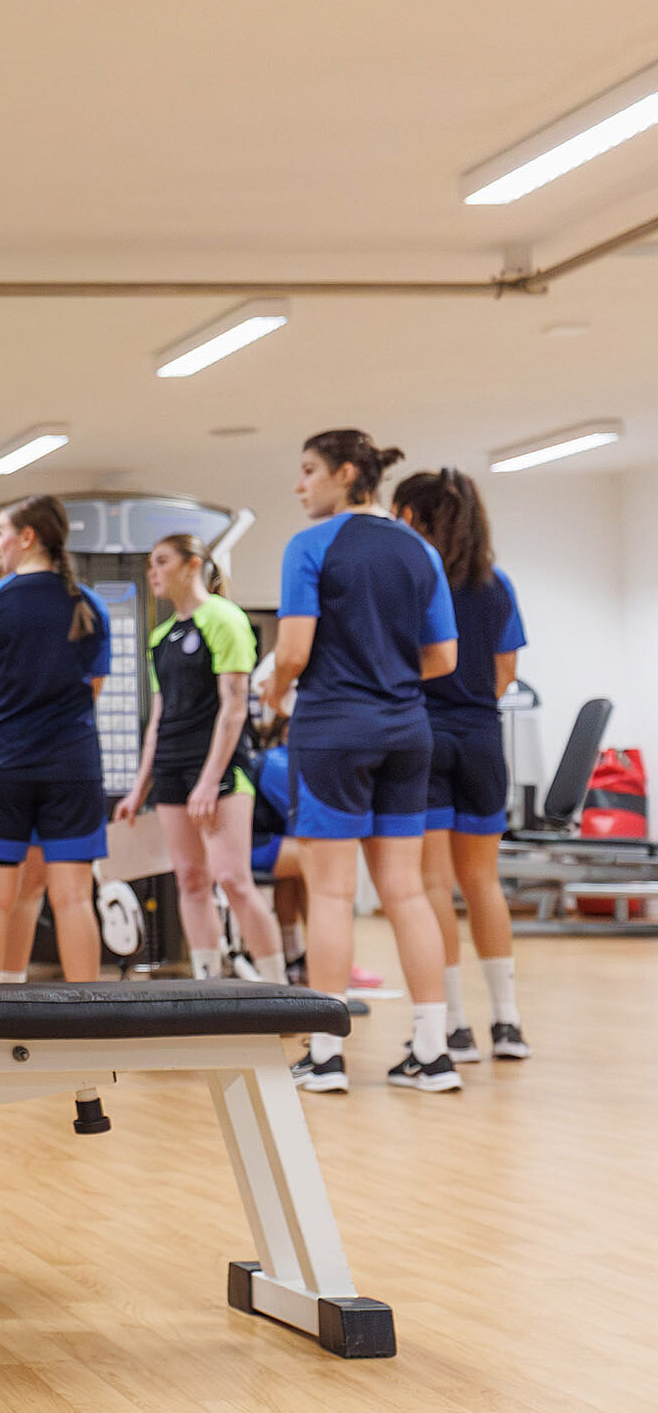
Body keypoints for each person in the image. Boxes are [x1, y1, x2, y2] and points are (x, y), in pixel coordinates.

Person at [263, 430, 458, 1092]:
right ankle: (433, 1053)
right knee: (405, 892)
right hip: (408, 731)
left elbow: (292, 650)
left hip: (332, 731)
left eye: (309, 470)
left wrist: (274, 689)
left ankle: (324, 1055)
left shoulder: (310, 546)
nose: (300, 486)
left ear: (346, 474)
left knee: (332, 893)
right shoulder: (421, 550)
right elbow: (444, 659)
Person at [395, 468, 530, 1062]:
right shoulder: (497, 584)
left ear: (413, 518)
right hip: (481, 738)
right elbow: (507, 674)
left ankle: (454, 1027)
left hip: (424, 737)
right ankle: (507, 1024)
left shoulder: (414, 582)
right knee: (483, 879)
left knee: (432, 885)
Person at [0, 496, 112, 988]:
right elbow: (93, 690)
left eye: (1, 532)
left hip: (1, 767)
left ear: (27, 537)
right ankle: (88, 1026)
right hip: (74, 768)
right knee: (74, 899)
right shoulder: (91, 603)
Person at [115, 534, 287, 982]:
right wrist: (140, 788)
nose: (153, 571)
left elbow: (233, 708)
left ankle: (280, 991)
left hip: (220, 769)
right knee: (191, 880)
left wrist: (210, 780)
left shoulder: (224, 619)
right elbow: (159, 717)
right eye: (151, 563)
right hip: (171, 768)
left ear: (192, 566)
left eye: (162, 561)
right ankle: (208, 986)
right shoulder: (160, 637)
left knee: (233, 879)